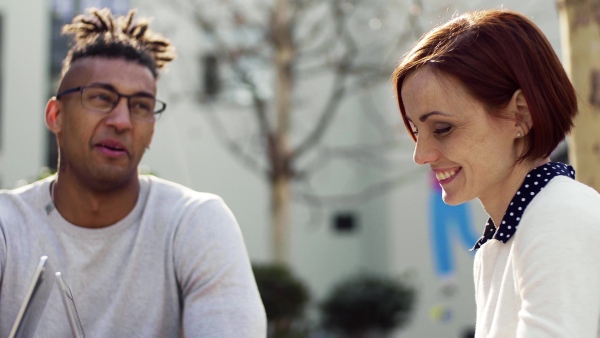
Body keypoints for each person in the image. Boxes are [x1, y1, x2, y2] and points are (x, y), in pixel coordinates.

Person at [0, 8, 266, 337]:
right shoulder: (6, 229)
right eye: (101, 98)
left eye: (140, 106)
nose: (122, 122)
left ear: (152, 129)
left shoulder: (195, 224)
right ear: (56, 115)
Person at [392, 9, 600, 338]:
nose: (421, 155)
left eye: (442, 128)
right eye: (417, 130)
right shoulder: (509, 235)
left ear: (521, 114)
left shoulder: (559, 219)